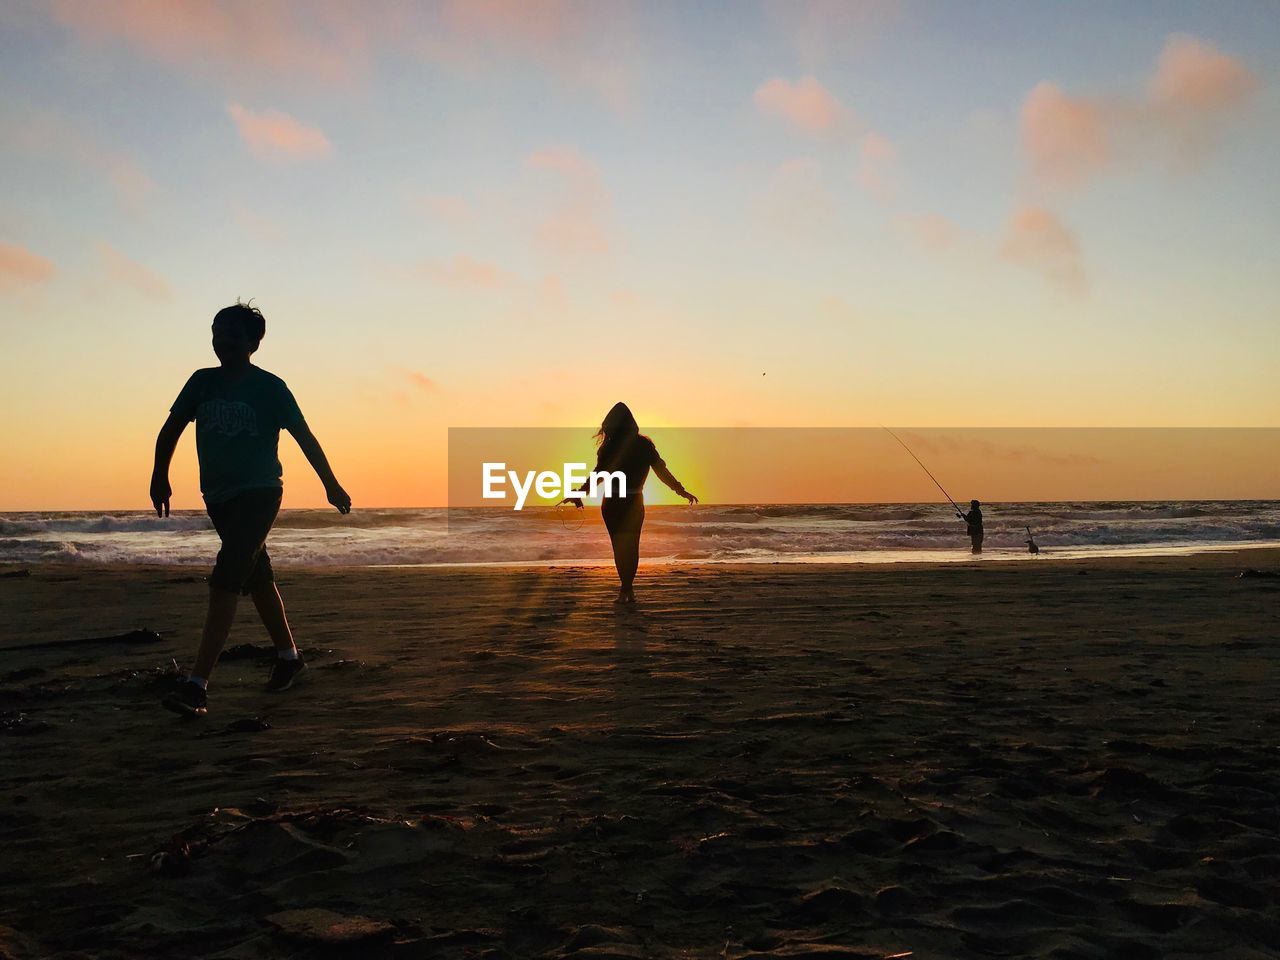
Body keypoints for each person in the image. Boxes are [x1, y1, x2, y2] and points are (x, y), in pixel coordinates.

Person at [150, 301, 351, 716]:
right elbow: (169, 430)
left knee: (226, 577)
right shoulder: (201, 382)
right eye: (215, 331)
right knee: (256, 577)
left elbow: (305, 437)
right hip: (218, 497)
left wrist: (330, 484)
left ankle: (197, 685)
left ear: (253, 342)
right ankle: (290, 658)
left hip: (260, 493)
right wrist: (159, 476)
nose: (221, 339)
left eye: (232, 333)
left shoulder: (271, 388)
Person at [561, 402, 697, 603]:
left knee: (619, 547)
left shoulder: (609, 447)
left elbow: (599, 474)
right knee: (632, 546)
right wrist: (680, 490)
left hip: (612, 502)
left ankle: (625, 589)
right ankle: (627, 589)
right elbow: (661, 471)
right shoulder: (644, 446)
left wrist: (581, 492)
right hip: (634, 501)